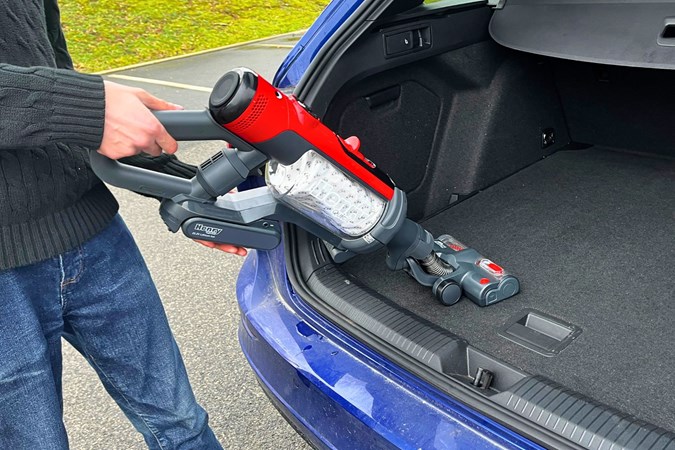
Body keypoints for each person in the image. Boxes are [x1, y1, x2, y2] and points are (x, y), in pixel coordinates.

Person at [0, 1, 243, 448]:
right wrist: (83, 106)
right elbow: (73, 106)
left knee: (181, 424)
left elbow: (58, 82)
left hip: (93, 236)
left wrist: (192, 191)